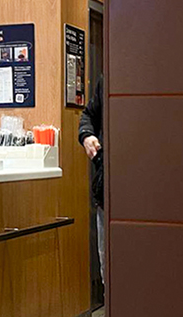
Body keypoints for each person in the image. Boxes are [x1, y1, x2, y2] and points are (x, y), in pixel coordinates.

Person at [78, 74, 104, 283]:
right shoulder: (108, 79)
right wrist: (87, 135)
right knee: (110, 271)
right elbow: (88, 115)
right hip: (109, 190)